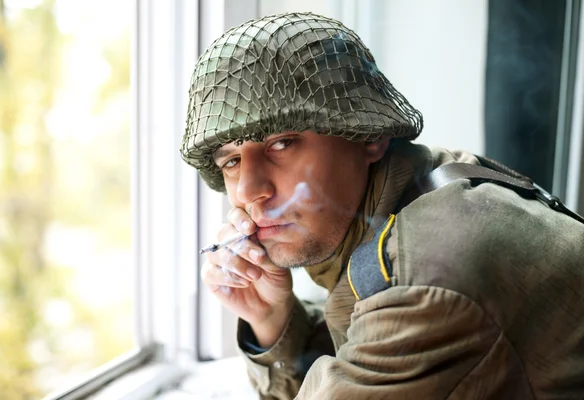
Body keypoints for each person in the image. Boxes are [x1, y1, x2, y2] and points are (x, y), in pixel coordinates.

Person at [180, 12, 584, 400]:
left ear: (369, 136)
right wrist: (272, 320)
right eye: (231, 161)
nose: (248, 190)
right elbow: (364, 355)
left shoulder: (428, 270)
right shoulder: (421, 188)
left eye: (281, 143)